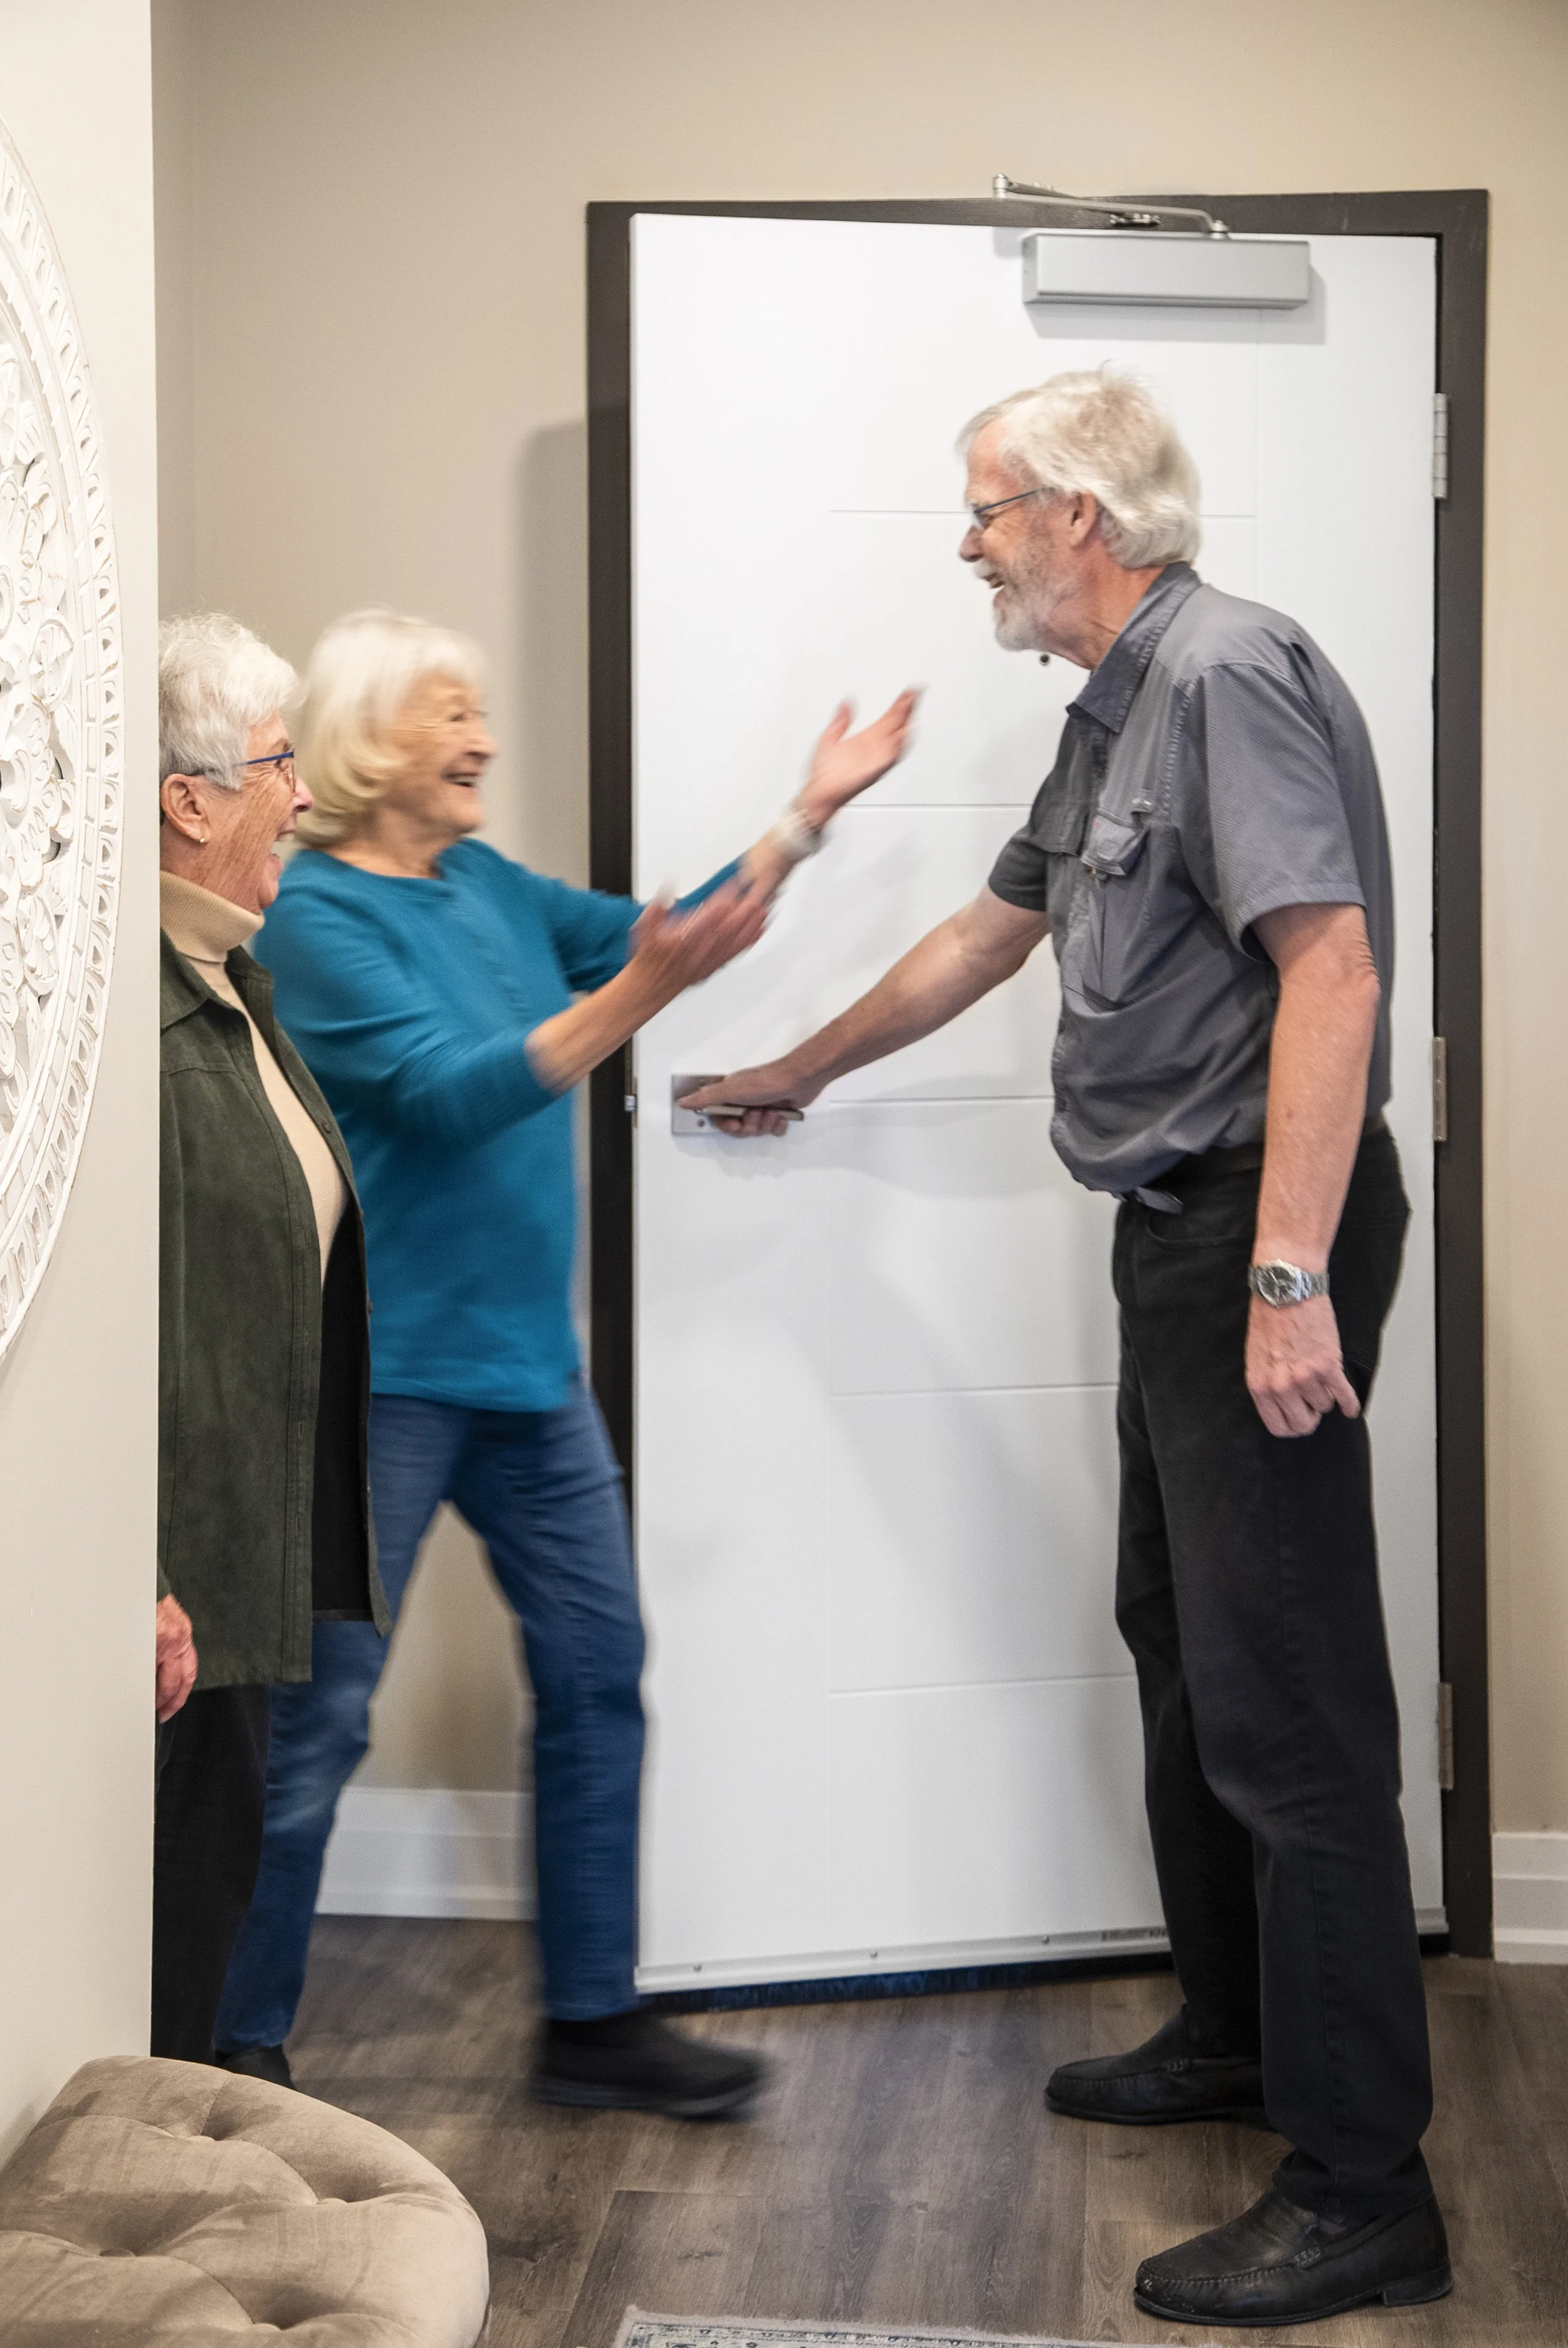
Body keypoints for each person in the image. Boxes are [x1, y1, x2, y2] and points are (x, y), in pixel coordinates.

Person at [685, 369, 1449, 2324]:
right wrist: (796, 1066)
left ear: (1080, 518)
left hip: (1251, 1232)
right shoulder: (1109, 708)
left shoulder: (1226, 672)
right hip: (1179, 1236)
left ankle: (1363, 2183)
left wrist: (1286, 1273)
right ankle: (1237, 2031)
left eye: (985, 507)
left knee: (1289, 1699)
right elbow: (988, 929)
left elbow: (1332, 964)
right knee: (1180, 1635)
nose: (967, 543)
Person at [215, 608, 914, 2113]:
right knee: (321, 1722)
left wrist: (802, 819)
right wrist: (643, 993)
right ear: (370, 739)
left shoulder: (483, 885)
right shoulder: (313, 917)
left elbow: (664, 932)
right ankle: (236, 2049)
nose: (481, 738)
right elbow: (451, 1092)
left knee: (599, 1674)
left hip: (529, 1377)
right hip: (386, 1378)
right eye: (450, 713)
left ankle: (591, 2023)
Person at [156, 612, 387, 2066]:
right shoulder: (143, 1015)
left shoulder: (233, 984)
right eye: (278, 762)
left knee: (204, 1903)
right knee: (158, 1934)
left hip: (233, 1559)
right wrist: (140, 1575)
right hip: (173, 1589)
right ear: (189, 801)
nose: (304, 794)